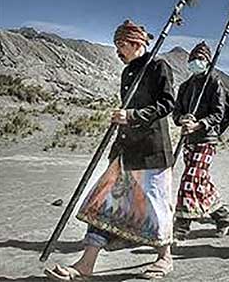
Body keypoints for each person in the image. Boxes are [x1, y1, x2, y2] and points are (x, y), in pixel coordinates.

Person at [45, 20, 176, 280]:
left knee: (154, 205)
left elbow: (167, 104)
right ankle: (86, 264)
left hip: (152, 152)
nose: (118, 50)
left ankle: (165, 258)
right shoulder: (127, 72)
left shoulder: (158, 67)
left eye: (121, 44)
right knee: (104, 202)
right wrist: (118, 141)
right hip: (126, 151)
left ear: (137, 43)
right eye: (116, 44)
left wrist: (132, 115)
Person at [173, 42, 229, 240]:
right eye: (192, 60)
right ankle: (223, 216)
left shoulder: (214, 83)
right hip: (188, 139)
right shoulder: (185, 86)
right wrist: (182, 119)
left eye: (200, 59)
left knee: (189, 180)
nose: (195, 63)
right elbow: (176, 113)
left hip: (206, 139)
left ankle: (181, 226)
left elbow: (219, 113)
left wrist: (198, 124)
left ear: (207, 62)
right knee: (201, 181)